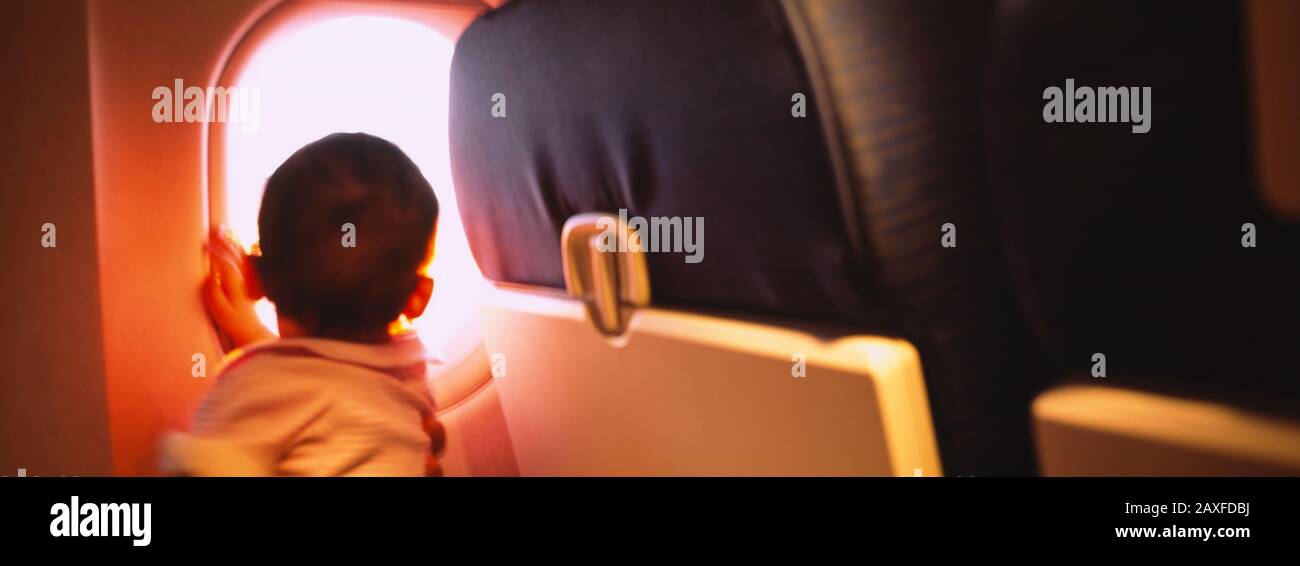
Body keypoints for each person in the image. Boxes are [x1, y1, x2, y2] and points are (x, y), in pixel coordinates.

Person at [162, 132, 446, 476]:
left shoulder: (254, 390)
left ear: (252, 276)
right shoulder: (410, 369)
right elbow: (335, 383)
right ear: (419, 297)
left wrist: (172, 455)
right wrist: (251, 332)